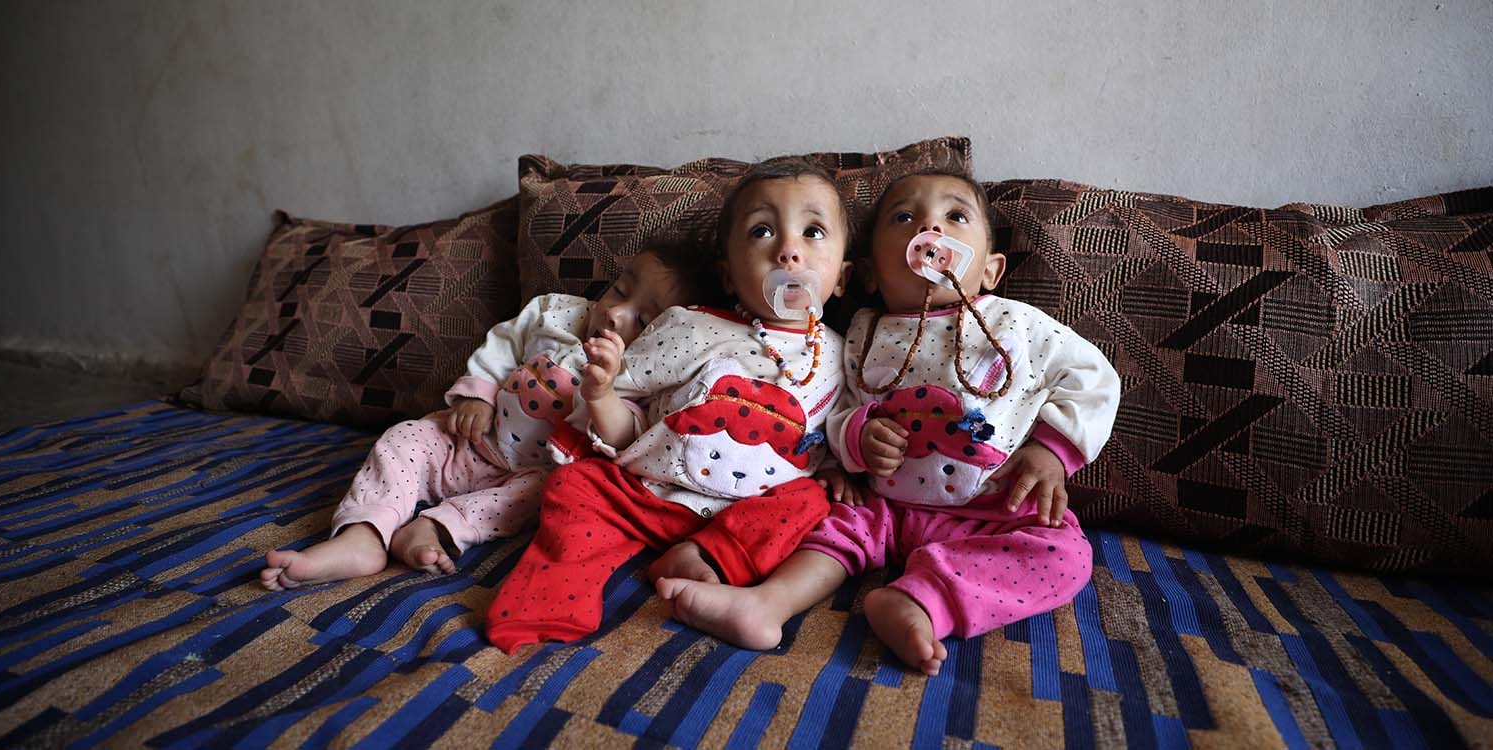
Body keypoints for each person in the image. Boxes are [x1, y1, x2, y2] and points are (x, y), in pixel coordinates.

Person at [657, 170, 1121, 676]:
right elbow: (836, 411)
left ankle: (922, 601)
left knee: (1066, 555)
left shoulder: (1021, 325)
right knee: (825, 522)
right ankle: (768, 605)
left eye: (955, 217)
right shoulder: (861, 332)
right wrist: (858, 437)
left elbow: (1094, 378)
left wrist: (1053, 452)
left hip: (994, 504)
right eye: (905, 218)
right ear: (871, 274)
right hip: (883, 507)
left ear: (989, 269)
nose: (931, 229)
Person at [484, 158, 855, 653]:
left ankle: (704, 557)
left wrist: (839, 467)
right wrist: (602, 395)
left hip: (743, 512)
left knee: (812, 504)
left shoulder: (844, 352)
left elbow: (839, 429)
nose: (788, 251)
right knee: (577, 487)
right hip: (646, 493)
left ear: (844, 278)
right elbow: (627, 424)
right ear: (727, 275)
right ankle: (547, 605)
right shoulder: (690, 326)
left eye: (812, 232)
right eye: (763, 231)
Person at [259, 241, 709, 590]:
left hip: (534, 472)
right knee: (403, 438)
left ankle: (434, 527)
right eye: (620, 291)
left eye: (641, 319)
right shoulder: (555, 312)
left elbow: (625, 436)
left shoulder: (642, 378)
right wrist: (478, 395)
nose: (613, 313)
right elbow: (503, 345)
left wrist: (603, 392)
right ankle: (362, 534)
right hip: (469, 439)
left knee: (535, 500)